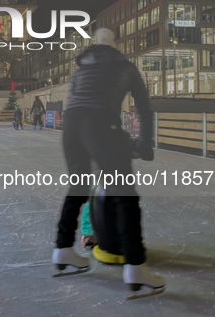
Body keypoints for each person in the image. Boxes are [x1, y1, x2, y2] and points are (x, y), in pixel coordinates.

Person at [52, 28, 164, 293]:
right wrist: (144, 147)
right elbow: (144, 109)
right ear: (115, 47)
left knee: (78, 186)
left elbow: (74, 101)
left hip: (71, 125)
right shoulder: (125, 67)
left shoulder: (80, 70)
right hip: (100, 123)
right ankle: (136, 266)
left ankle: (62, 249)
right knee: (124, 194)